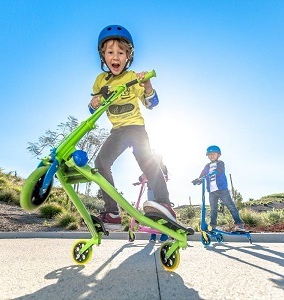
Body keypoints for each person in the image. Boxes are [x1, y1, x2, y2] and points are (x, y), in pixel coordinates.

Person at [88, 25, 176, 230]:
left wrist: (147, 85)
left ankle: (164, 203)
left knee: (147, 160)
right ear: (103, 55)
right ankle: (112, 212)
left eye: (121, 52)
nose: (115, 57)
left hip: (135, 128)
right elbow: (93, 109)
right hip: (117, 131)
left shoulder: (132, 77)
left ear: (129, 56)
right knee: (101, 163)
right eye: (110, 52)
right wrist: (94, 103)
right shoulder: (100, 81)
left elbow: (151, 104)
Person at [192, 145, 245, 232]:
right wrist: (197, 180)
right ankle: (213, 226)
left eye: (214, 154)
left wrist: (213, 172)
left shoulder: (220, 163)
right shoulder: (206, 166)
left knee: (231, 206)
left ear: (218, 155)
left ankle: (239, 224)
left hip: (222, 190)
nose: (212, 156)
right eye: (210, 154)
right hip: (212, 192)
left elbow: (219, 170)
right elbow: (202, 176)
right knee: (213, 209)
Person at [139, 153, 169, 242]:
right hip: (151, 191)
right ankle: (153, 234)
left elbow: (166, 177)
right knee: (152, 212)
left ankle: (164, 234)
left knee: (162, 212)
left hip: (161, 191)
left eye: (158, 157)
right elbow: (142, 176)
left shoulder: (163, 167)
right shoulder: (149, 166)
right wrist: (141, 179)